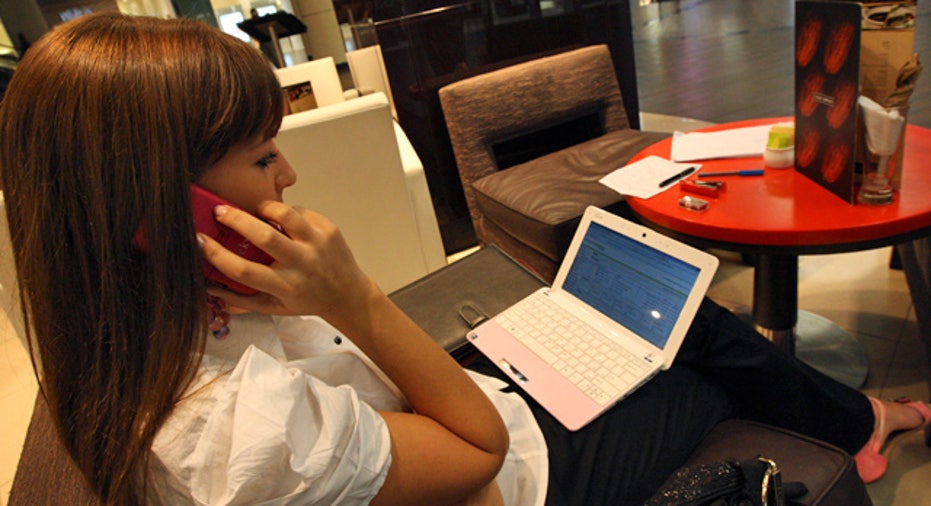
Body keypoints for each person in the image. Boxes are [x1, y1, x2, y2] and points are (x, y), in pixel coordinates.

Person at [1, 12, 928, 505]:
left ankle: (857, 413)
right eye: (258, 157)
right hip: (515, 468)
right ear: (158, 213)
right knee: (700, 352)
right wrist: (351, 295)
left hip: (443, 413)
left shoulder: (157, 326)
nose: (286, 171)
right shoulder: (236, 439)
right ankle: (863, 420)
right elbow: (479, 455)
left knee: (649, 318)